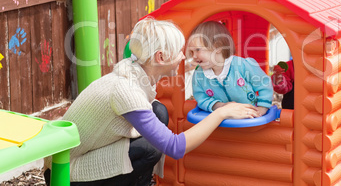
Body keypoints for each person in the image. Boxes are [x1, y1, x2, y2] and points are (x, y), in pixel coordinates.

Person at [44, 18, 258, 186]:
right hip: (65, 174)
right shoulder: (126, 90)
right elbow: (175, 147)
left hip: (87, 151)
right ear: (161, 58)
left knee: (159, 111)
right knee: (151, 149)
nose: (184, 58)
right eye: (180, 53)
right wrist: (221, 113)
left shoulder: (135, 68)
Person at [187, 21, 273, 117]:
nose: (194, 56)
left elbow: (264, 83)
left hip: (250, 116)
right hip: (222, 121)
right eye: (191, 51)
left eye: (198, 50)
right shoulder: (199, 74)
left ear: (217, 47)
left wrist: (262, 107)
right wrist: (220, 106)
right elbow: (201, 97)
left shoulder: (242, 65)